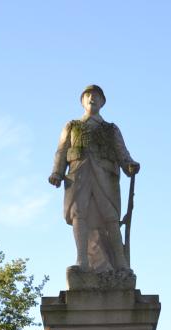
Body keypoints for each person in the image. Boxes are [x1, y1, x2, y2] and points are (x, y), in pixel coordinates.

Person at [49, 85, 140, 273]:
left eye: (97, 96)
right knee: (78, 214)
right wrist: (57, 173)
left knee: (111, 217)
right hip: (78, 175)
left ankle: (120, 263)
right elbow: (62, 150)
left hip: (105, 175)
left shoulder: (111, 129)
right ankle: (82, 260)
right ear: (82, 101)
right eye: (88, 95)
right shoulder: (72, 126)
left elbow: (122, 152)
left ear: (102, 102)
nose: (92, 98)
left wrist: (129, 165)